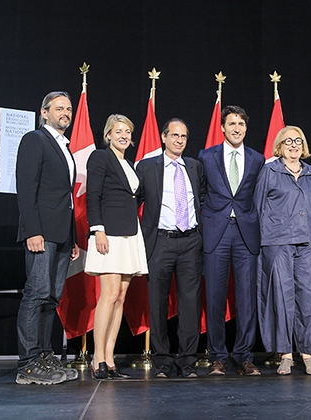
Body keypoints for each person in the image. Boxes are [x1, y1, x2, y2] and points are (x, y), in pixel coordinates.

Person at [15, 91, 80, 385]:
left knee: (52, 298)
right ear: (44, 112)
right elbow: (27, 189)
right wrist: (32, 231)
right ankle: (28, 363)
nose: (65, 113)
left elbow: (66, 198)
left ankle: (43, 354)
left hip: (62, 236)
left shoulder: (65, 147)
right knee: (37, 293)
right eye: (59, 108)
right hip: (41, 233)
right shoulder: (34, 140)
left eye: (68, 109)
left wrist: (73, 238)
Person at [254, 125, 311, 375]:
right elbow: (258, 207)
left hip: (308, 243)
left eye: (298, 141)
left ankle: (307, 354)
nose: (294, 145)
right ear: (280, 146)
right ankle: (284, 354)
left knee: (310, 298)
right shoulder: (269, 171)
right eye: (288, 141)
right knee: (281, 298)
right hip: (277, 242)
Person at [135, 118, 206, 379]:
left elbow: (201, 198)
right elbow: (134, 202)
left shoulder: (196, 167)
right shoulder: (146, 167)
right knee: (158, 302)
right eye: (174, 135)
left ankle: (187, 361)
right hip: (160, 242)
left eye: (184, 137)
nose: (179, 140)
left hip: (190, 243)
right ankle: (162, 361)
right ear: (164, 137)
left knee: (190, 303)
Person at [198, 106, 264, 376]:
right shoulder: (206, 156)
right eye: (231, 123)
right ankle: (218, 357)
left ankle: (245, 356)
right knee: (214, 298)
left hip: (246, 233)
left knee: (247, 299)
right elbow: (200, 192)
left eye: (241, 124)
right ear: (222, 127)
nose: (236, 128)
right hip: (217, 233)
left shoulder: (257, 159)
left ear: (246, 128)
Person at [84, 114, 148, 380]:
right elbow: (93, 195)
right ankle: (97, 357)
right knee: (109, 294)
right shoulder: (101, 157)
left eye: (127, 132)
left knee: (121, 296)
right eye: (118, 131)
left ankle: (110, 358)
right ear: (108, 134)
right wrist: (97, 229)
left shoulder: (130, 164)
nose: (123, 135)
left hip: (130, 234)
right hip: (108, 234)